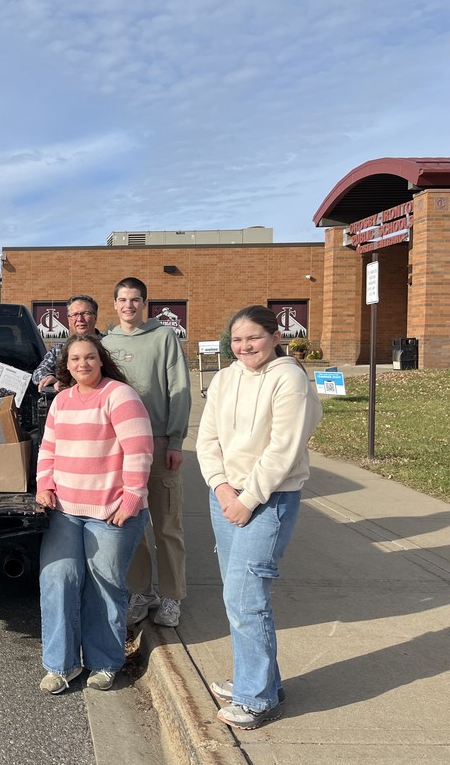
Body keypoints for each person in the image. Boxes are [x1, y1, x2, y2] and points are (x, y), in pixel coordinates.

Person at [196, 305, 322, 729]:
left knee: (247, 599)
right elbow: (207, 438)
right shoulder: (226, 377)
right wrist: (221, 487)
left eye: (253, 337)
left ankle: (259, 699)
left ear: (274, 337)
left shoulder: (289, 377)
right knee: (236, 593)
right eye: (237, 339)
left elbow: (284, 449)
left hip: (268, 500)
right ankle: (259, 680)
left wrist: (246, 498)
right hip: (226, 495)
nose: (244, 346)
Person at [35, 334, 153, 694]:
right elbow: (48, 447)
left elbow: (139, 450)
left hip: (111, 512)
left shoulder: (119, 395)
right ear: (66, 366)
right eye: (75, 359)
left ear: (101, 360)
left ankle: (104, 662)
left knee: (104, 586)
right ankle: (61, 666)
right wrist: (44, 484)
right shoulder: (62, 401)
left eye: (89, 357)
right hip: (66, 511)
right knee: (58, 579)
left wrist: (132, 498)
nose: (82, 364)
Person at [101, 277, 192, 628]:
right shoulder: (106, 343)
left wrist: (176, 440)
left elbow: (179, 390)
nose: (128, 306)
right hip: (121, 447)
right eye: (122, 299)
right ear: (115, 304)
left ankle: (171, 596)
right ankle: (141, 591)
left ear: (145, 304)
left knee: (167, 524)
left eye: (135, 299)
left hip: (158, 442)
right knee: (131, 524)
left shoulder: (163, 338)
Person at [32, 295, 102, 392]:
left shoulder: (109, 344)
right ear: (69, 320)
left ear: (96, 317)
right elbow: (39, 372)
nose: (80, 319)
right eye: (74, 314)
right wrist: (50, 378)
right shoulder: (59, 349)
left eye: (86, 313)